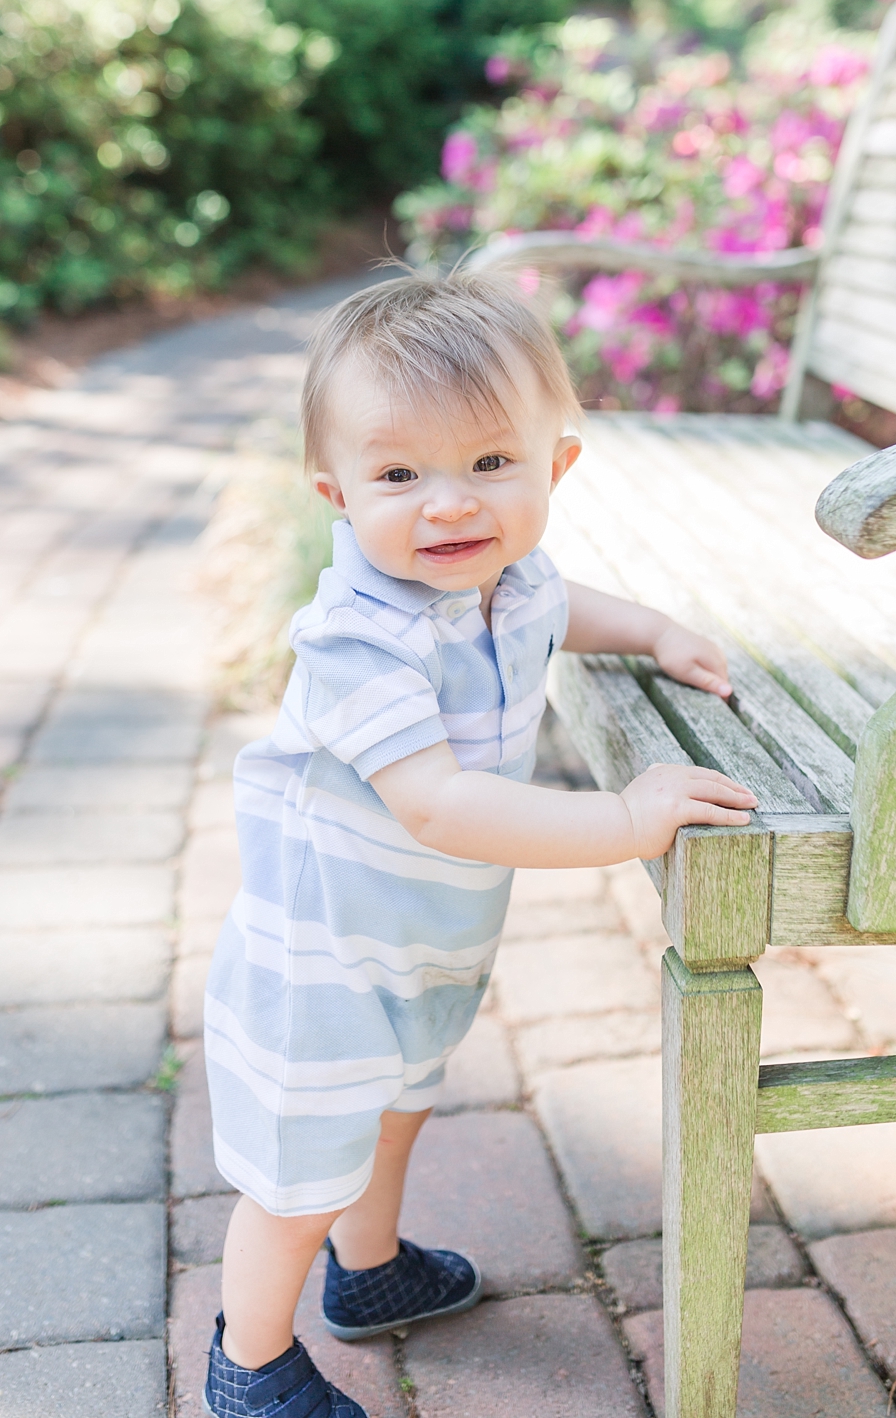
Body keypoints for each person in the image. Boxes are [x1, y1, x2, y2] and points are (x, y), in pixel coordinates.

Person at [202, 271, 757, 1418]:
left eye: (489, 464)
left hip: (423, 938)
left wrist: (653, 631)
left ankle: (370, 1274)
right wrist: (625, 821)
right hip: (326, 955)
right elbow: (442, 806)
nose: (450, 505)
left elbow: (560, 603)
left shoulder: (507, 577)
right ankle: (247, 1367)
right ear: (337, 493)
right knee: (301, 1175)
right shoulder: (359, 640)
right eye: (400, 475)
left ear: (554, 466)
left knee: (400, 1107)